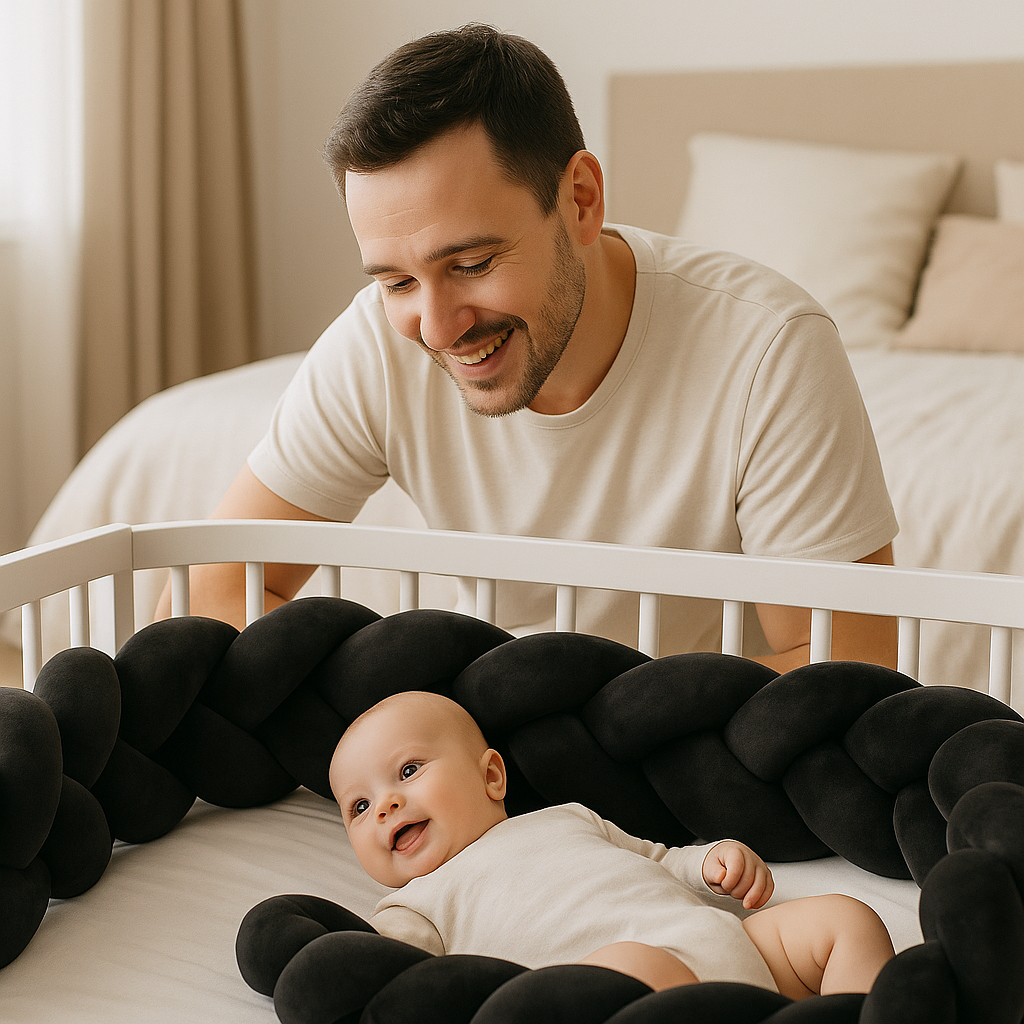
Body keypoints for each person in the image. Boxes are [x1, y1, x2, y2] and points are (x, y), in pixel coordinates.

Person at [159, 23, 899, 671]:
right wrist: (385, 702)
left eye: (473, 264)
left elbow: (852, 669)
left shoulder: (768, 349)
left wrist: (588, 719)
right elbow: (204, 595)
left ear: (580, 200)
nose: (437, 329)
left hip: (698, 761)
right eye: (397, 282)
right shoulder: (377, 348)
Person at [328, 690, 896, 997]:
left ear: (492, 777)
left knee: (843, 919)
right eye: (359, 807)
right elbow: (403, 985)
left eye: (408, 771)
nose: (385, 806)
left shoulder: (566, 818)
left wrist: (712, 862)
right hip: (627, 991)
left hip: (728, 947)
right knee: (631, 967)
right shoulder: (411, 907)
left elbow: (660, 861)